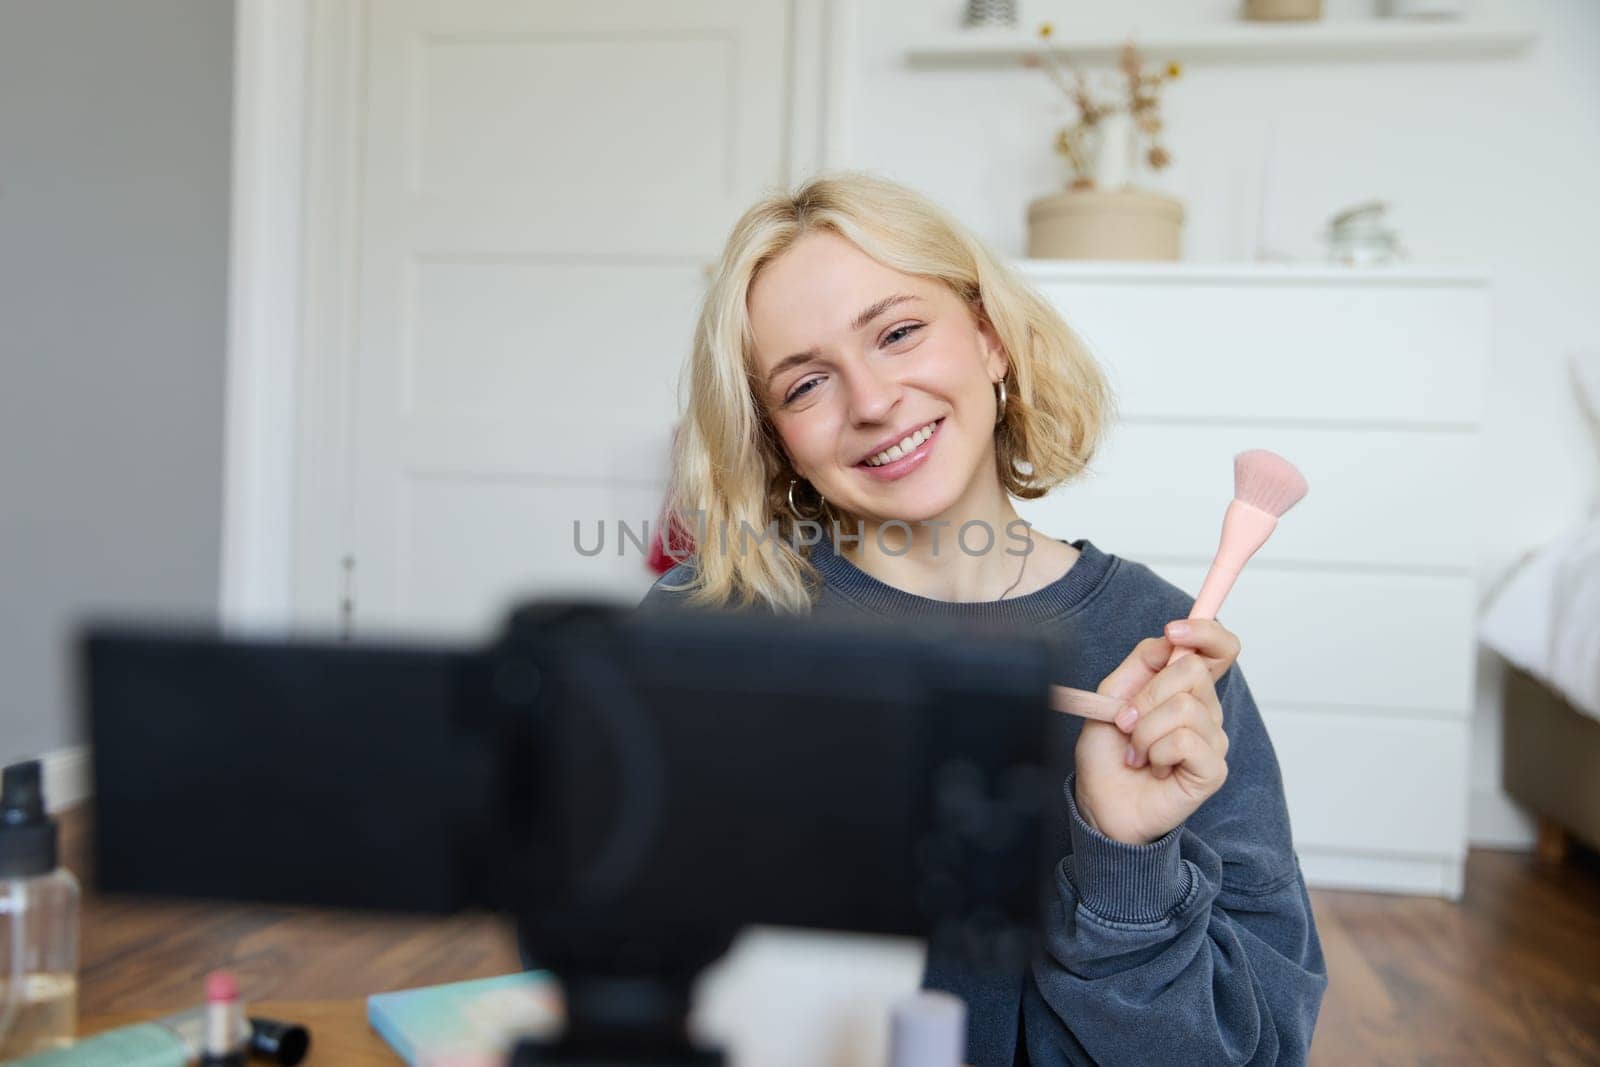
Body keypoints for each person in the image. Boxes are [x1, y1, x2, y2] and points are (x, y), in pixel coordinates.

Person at [640, 172, 1326, 1065]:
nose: (874, 400)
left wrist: (1122, 861)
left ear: (991, 339)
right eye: (806, 384)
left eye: (897, 332)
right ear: (774, 437)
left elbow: (1257, 1048)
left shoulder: (1160, 652)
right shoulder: (710, 625)